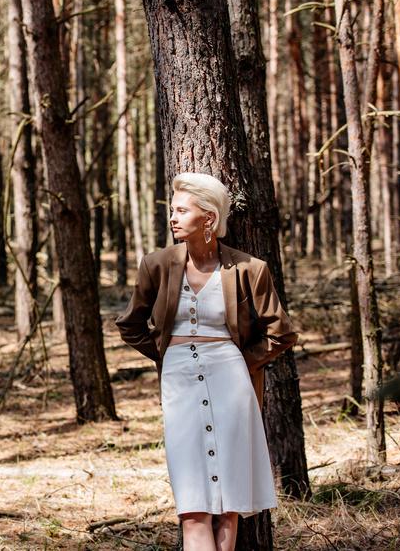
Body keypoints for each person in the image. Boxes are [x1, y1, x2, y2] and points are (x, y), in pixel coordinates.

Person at [116, 172, 297, 551]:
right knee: (193, 506)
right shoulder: (157, 264)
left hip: (232, 380)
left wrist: (238, 361)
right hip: (179, 381)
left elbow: (281, 333)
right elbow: (130, 325)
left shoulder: (250, 268)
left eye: (182, 210)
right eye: (172, 210)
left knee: (228, 505)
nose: (173, 218)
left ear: (209, 218)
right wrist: (168, 353)